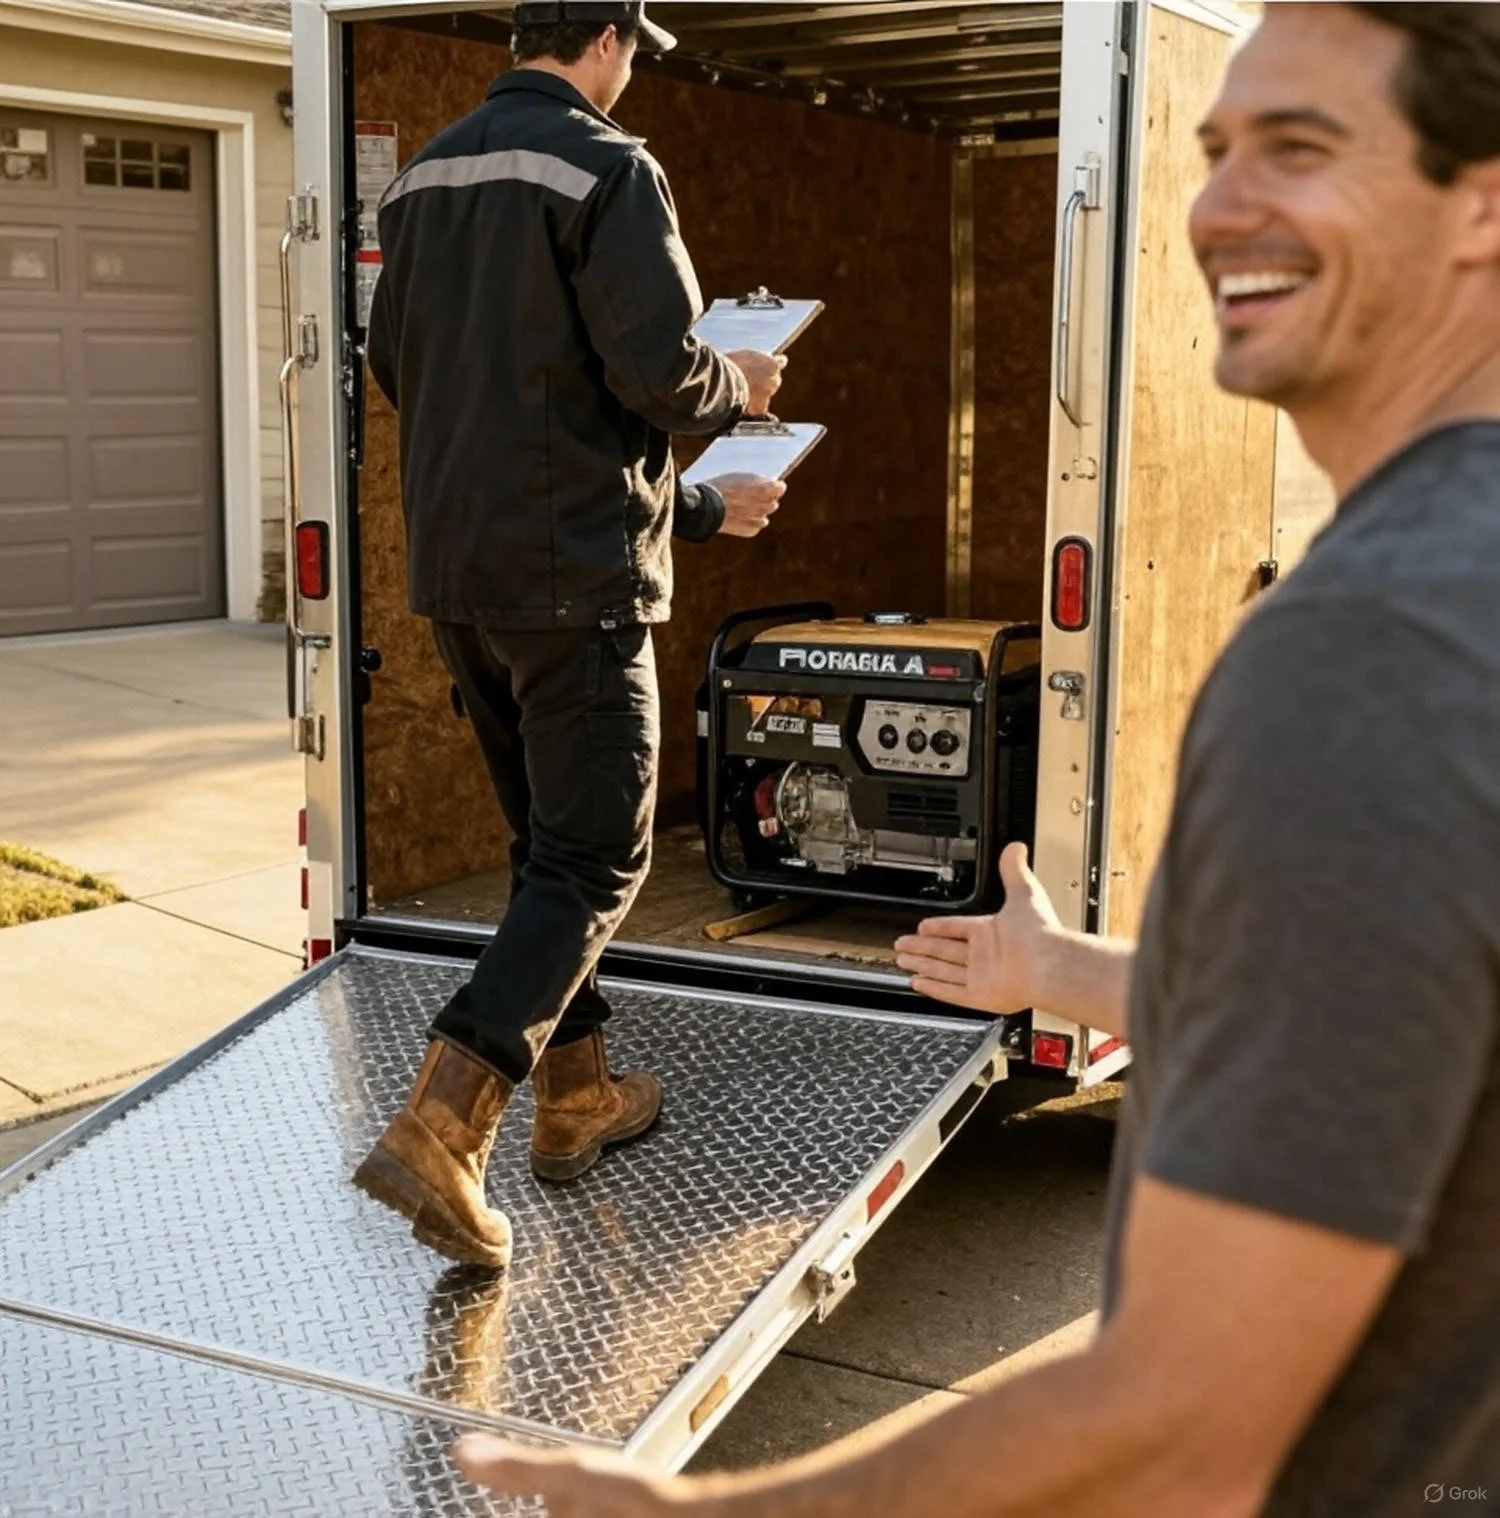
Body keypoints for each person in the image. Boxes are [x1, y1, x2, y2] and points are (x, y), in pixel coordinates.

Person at [452, 3, 1500, 1511]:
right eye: (1214, 151)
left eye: (1301, 148)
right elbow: (1398, 1015)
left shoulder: (1373, 644)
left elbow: (1189, 1407)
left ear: (1480, 205)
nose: (1215, 204)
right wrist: (1074, 980)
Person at [357, 0, 790, 1270]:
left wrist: (692, 507)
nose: (629, 74)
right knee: (599, 856)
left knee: (546, 847)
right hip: (580, 589)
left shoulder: (424, 178)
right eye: (632, 54)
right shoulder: (611, 166)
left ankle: (579, 1093)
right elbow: (663, 373)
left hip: (460, 580)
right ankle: (445, 1125)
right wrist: (741, 388)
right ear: (605, 41)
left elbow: (402, 366)